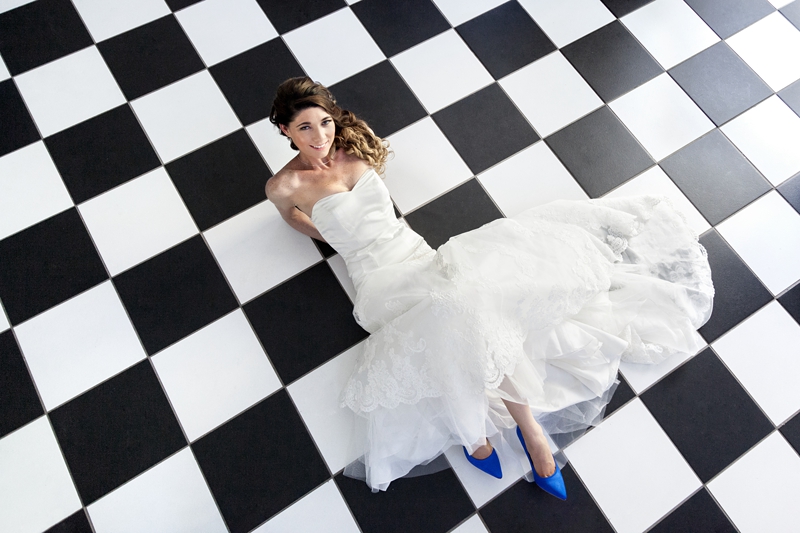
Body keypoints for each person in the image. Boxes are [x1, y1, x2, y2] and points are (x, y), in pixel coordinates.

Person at [266, 77, 714, 497]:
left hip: (419, 255)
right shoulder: (284, 185)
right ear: (286, 130)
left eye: (325, 121)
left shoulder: (351, 146)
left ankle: (504, 430)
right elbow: (292, 217)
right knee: (456, 308)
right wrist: (338, 241)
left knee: (473, 302)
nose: (320, 135)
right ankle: (519, 432)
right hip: (378, 280)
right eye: (305, 127)